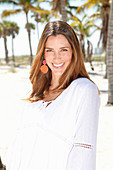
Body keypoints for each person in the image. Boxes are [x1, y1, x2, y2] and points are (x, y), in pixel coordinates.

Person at [6, 20, 100, 170]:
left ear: (74, 52)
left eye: (64, 50)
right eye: (50, 50)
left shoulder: (84, 90)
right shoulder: (35, 93)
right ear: (43, 54)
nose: (57, 57)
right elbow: (18, 147)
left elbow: (83, 154)